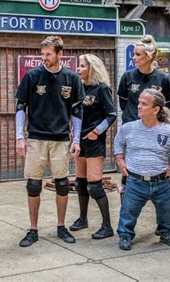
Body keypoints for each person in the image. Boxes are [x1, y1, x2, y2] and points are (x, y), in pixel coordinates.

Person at [15, 36, 85, 247]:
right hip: (36, 138)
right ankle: (33, 230)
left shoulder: (72, 78)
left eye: (48, 54)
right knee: (33, 185)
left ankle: (61, 227)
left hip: (61, 140)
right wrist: (19, 136)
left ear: (59, 54)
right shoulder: (32, 76)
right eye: (42, 53)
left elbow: (77, 110)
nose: (43, 58)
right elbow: (20, 107)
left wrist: (77, 139)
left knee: (62, 185)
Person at [115, 89, 170, 250]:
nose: (138, 106)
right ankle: (125, 235)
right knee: (128, 211)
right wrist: (120, 160)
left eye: (144, 104)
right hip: (135, 181)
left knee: (167, 211)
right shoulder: (128, 128)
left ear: (156, 109)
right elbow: (118, 143)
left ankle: (166, 233)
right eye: (139, 102)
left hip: (161, 182)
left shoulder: (168, 131)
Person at [117, 35, 170, 202]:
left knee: (153, 165)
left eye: (138, 54)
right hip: (132, 129)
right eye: (133, 54)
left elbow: (165, 106)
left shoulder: (162, 79)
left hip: (154, 130)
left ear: (149, 56)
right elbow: (123, 103)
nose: (134, 58)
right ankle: (126, 202)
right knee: (128, 168)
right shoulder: (128, 77)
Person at [69, 54, 117, 239]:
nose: (78, 69)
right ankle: (83, 219)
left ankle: (107, 226)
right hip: (79, 140)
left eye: (82, 66)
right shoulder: (79, 88)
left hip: (94, 141)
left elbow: (111, 114)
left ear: (92, 68)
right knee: (80, 183)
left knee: (95, 186)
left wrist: (97, 131)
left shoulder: (102, 89)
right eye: (78, 66)